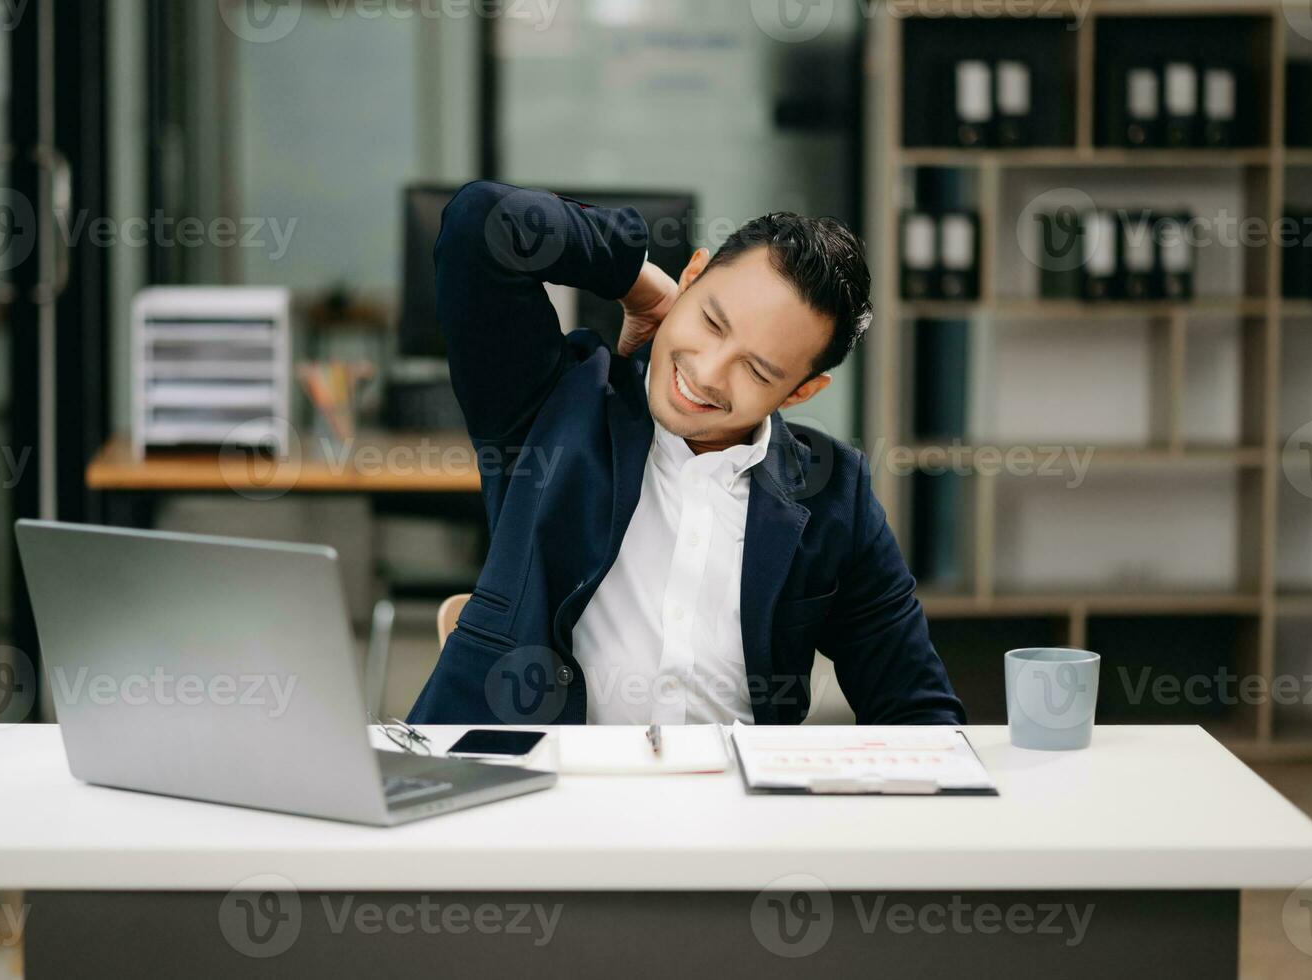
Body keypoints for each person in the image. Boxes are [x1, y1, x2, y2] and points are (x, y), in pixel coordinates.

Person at [407, 180, 965, 727]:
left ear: (798, 392)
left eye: (756, 369)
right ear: (692, 276)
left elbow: (919, 711)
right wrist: (634, 279)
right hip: (528, 796)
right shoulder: (553, 403)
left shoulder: (834, 495)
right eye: (710, 321)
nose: (706, 371)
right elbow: (483, 221)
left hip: (733, 810)